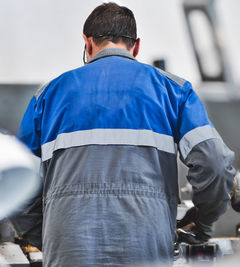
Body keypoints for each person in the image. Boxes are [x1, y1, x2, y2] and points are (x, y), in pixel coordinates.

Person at [12, 2, 236, 266]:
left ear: (87, 43)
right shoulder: (174, 92)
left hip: (69, 250)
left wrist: (51, 236)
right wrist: (202, 221)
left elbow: (14, 183)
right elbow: (215, 164)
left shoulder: (47, 96)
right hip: (147, 249)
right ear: (136, 46)